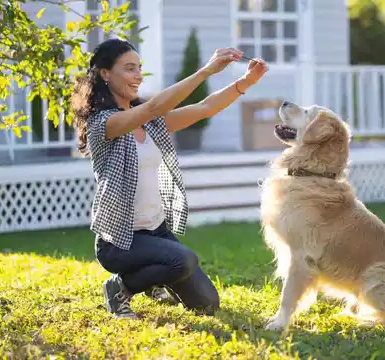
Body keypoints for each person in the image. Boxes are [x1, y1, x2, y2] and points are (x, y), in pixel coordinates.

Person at [70, 38, 268, 319]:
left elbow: (204, 108)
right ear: (105, 74)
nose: (137, 76)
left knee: (207, 304)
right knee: (183, 260)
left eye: (139, 68)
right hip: (120, 241)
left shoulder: (149, 124)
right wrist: (206, 71)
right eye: (129, 69)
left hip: (155, 231)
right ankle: (120, 288)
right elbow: (152, 108)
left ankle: (153, 281)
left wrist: (246, 82)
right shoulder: (103, 124)